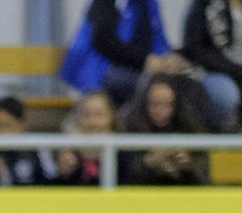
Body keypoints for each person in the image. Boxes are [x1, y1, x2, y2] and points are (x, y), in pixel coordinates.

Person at [61, 0, 185, 106]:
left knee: (184, 83)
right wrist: (145, 60)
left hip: (139, 69)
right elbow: (103, 40)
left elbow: (159, 38)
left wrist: (167, 59)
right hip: (104, 69)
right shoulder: (106, 3)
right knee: (150, 86)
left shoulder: (150, 3)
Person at [116, 74, 213, 184]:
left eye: (169, 104)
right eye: (156, 104)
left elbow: (205, 177)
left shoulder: (189, 126)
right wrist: (147, 163)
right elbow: (123, 177)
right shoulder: (129, 129)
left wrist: (188, 165)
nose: (162, 111)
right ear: (145, 104)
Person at [183, 0, 242, 129]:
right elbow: (195, 48)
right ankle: (220, 133)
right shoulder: (206, 4)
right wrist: (236, 70)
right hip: (213, 71)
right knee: (225, 94)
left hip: (236, 70)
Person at [0, 96, 61, 185]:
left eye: (7, 125)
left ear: (23, 125)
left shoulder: (38, 149)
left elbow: (51, 180)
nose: (1, 131)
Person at [53, 90, 117, 184]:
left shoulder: (124, 152)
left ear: (112, 117)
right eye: (86, 115)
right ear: (75, 118)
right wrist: (64, 174)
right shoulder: (62, 152)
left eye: (99, 114)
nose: (93, 122)